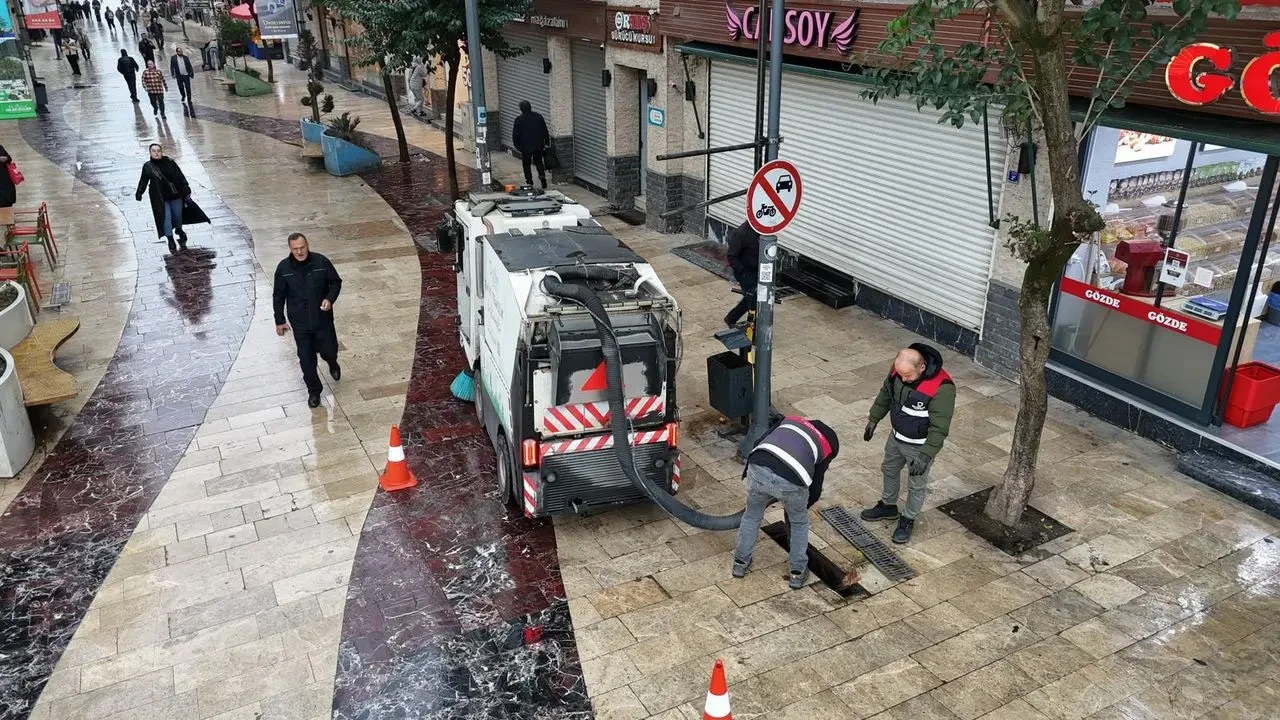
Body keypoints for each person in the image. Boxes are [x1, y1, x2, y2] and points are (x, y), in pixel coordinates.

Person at [860, 343, 956, 544]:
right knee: (889, 469)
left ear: (922, 367)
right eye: (901, 374)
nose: (903, 379)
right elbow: (886, 394)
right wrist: (873, 418)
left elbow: (940, 427)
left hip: (919, 446)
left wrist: (926, 455)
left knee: (916, 484)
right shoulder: (898, 370)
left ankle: (908, 518)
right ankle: (888, 506)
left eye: (908, 376)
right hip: (896, 437)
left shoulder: (942, 388)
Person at [732, 416, 839, 590]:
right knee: (799, 523)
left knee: (751, 516)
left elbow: (760, 441)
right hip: (792, 479)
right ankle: (797, 572)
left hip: (758, 465)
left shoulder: (790, 421)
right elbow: (815, 488)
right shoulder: (826, 447)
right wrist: (798, 510)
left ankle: (740, 563)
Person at [273, 233, 343, 409]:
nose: (299, 251)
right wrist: (279, 320)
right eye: (295, 249)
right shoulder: (283, 268)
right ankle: (314, 391)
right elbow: (278, 296)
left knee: (329, 350)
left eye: (302, 247)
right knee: (306, 359)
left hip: (323, 319)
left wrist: (329, 299)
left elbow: (335, 282)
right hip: (300, 323)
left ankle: (332, 362)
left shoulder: (321, 262)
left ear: (307, 245)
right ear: (290, 248)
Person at [135, 143, 191, 252]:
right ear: (150, 153)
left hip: (175, 195)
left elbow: (180, 175)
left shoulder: (169, 162)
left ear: (161, 152)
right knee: (166, 218)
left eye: (158, 151)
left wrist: (186, 187)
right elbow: (143, 180)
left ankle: (179, 230)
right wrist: (139, 192)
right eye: (154, 151)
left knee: (177, 216)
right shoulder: (148, 166)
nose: (156, 153)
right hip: (160, 198)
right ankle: (170, 239)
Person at [723, 221, 760, 328]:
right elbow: (732, 256)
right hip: (745, 272)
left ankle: (731, 317)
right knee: (752, 300)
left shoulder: (762, 231)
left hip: (757, 270)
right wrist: (743, 272)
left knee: (752, 296)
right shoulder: (741, 233)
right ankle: (752, 329)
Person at [511, 100, 550, 189]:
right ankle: (542, 179)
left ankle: (529, 181)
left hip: (525, 147)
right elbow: (545, 130)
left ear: (521, 109)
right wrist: (546, 143)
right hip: (538, 145)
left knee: (526, 164)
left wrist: (517, 146)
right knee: (539, 162)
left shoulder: (519, 120)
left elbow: (515, 135)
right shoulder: (538, 117)